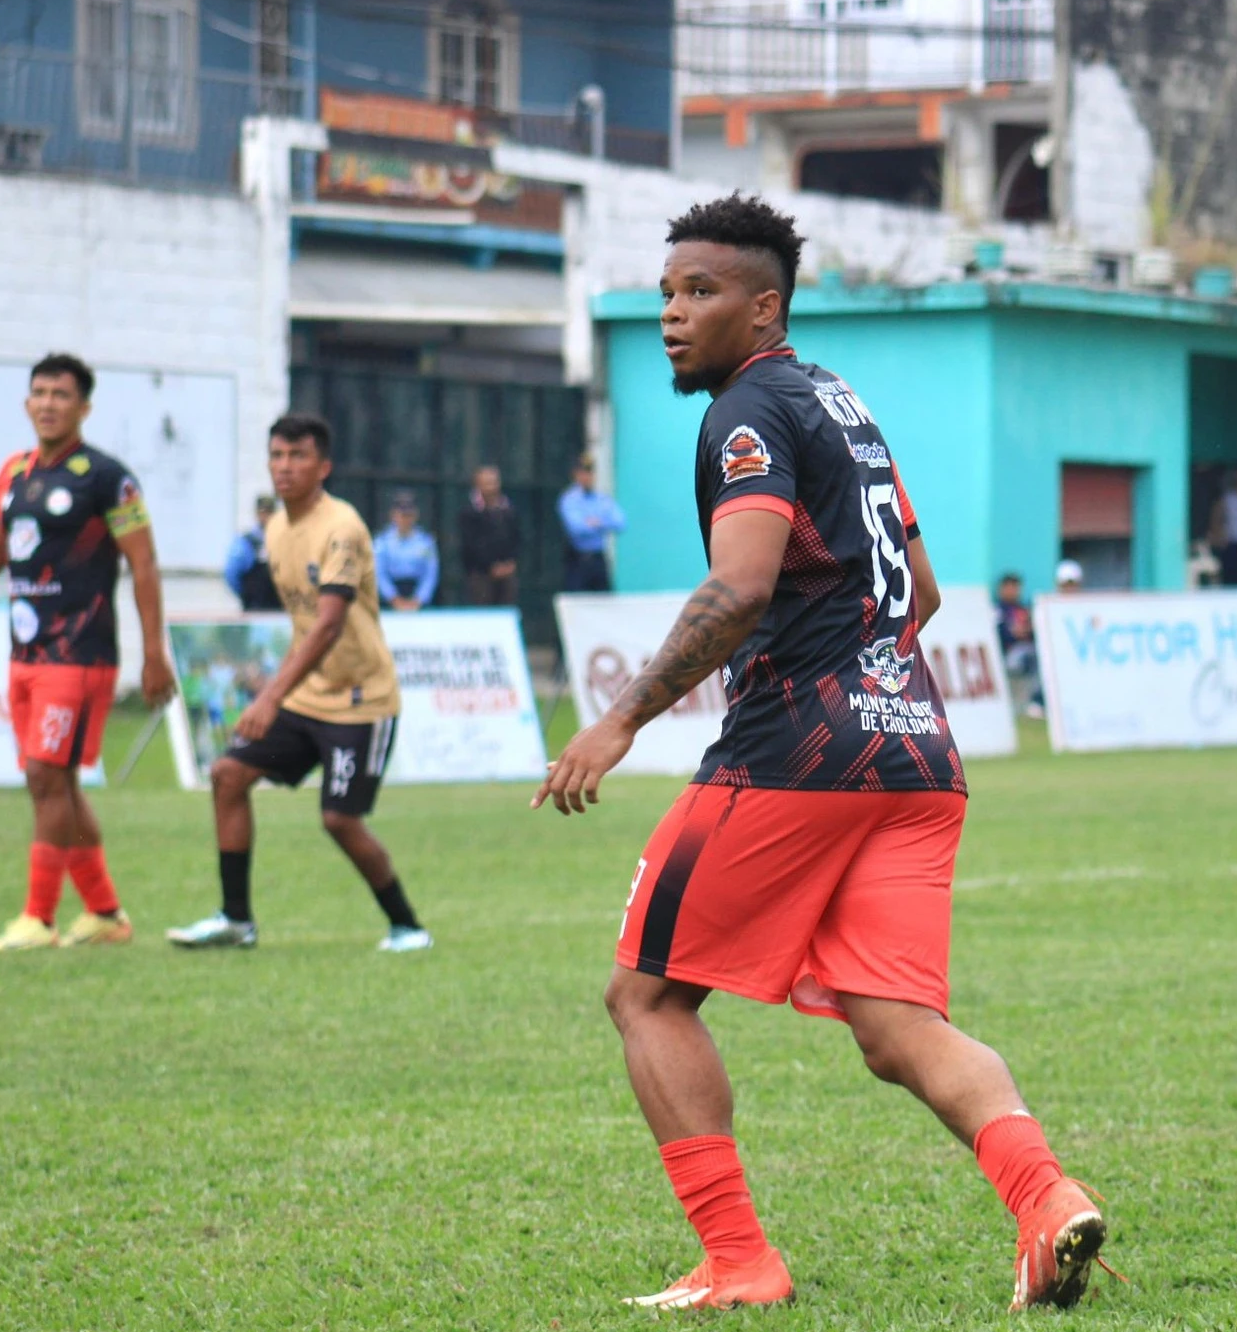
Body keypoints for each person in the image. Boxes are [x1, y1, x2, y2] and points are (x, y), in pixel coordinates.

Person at [533, 194, 1110, 1313]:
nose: (671, 315)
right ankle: (1048, 1200)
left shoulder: (746, 411)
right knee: (895, 1024)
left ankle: (739, 1260)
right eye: (663, 292)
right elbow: (924, 588)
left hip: (799, 748)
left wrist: (619, 718)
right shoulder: (840, 401)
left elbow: (741, 586)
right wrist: (866, 680)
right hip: (917, 748)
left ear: (764, 307)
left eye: (698, 293)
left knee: (646, 995)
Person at [0, 354, 176, 952]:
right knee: (54, 783)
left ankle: (39, 918)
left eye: (61, 394)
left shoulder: (107, 478)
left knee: (49, 777)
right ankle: (103, 914)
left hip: (80, 653)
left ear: (84, 408)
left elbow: (143, 564)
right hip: (26, 654)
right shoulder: (13, 474)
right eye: (39, 392)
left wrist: (154, 653)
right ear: (27, 403)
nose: (48, 403)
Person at [166, 413, 430, 955]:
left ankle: (407, 926)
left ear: (324, 466)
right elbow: (304, 625)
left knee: (339, 819)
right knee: (228, 775)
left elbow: (330, 622)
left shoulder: (343, 528)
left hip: (362, 700)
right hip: (308, 695)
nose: (285, 467)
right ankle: (236, 919)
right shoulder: (276, 529)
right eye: (277, 456)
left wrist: (267, 696)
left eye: (298, 456)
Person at [557, 455, 627, 593]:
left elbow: (621, 522)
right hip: (578, 560)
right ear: (576, 475)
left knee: (604, 604)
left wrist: (597, 523)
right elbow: (576, 527)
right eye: (583, 473)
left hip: (598, 559)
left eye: (589, 472)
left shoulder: (602, 499)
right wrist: (599, 524)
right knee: (576, 604)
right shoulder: (570, 499)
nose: (587, 477)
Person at [458, 465, 519, 606]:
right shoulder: (468, 512)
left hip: (507, 573)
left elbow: (517, 537)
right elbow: (470, 544)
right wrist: (490, 566)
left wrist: (510, 562)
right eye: (486, 483)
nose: (491, 487)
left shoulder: (509, 509)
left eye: (493, 482)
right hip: (480, 575)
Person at [373, 489, 438, 610]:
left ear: (415, 515)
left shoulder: (425, 542)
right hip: (389, 599)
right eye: (402, 515)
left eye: (409, 515)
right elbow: (379, 573)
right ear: (393, 515)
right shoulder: (382, 542)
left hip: (418, 597)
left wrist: (419, 599)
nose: (405, 519)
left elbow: (430, 574)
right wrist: (394, 599)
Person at [223, 495, 282, 611]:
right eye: (263, 512)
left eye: (269, 512)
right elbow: (231, 574)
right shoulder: (246, 542)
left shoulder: (284, 539)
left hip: (280, 610)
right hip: (254, 609)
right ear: (257, 514)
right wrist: (247, 595)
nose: (266, 517)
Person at [993, 572, 1035, 676]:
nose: (1012, 591)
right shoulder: (996, 610)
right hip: (1008, 652)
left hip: (1028, 648)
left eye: (1015, 587)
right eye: (1008, 587)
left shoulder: (1025, 610)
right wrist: (1012, 633)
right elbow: (997, 633)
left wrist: (1028, 630)